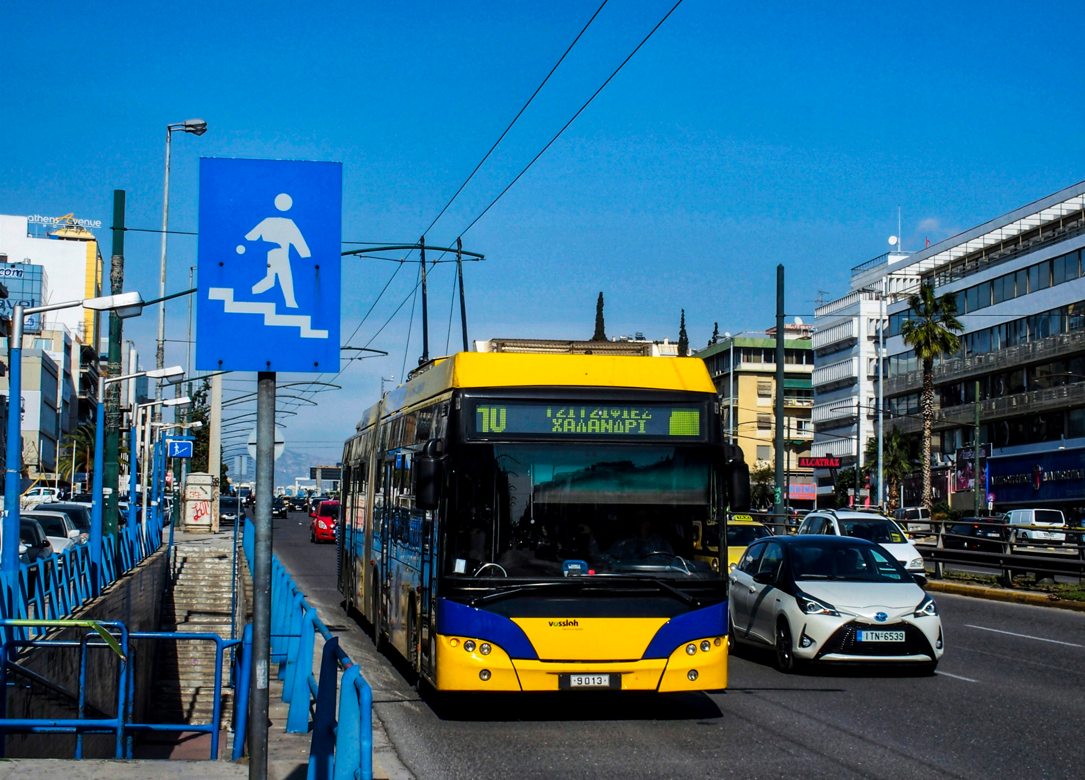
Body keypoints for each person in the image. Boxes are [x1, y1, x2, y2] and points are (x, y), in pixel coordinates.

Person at [608, 513, 674, 560]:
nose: (642, 522)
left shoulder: (662, 543)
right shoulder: (623, 544)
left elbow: (672, 564)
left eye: (645, 518)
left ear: (650, 520)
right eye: (638, 519)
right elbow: (610, 562)